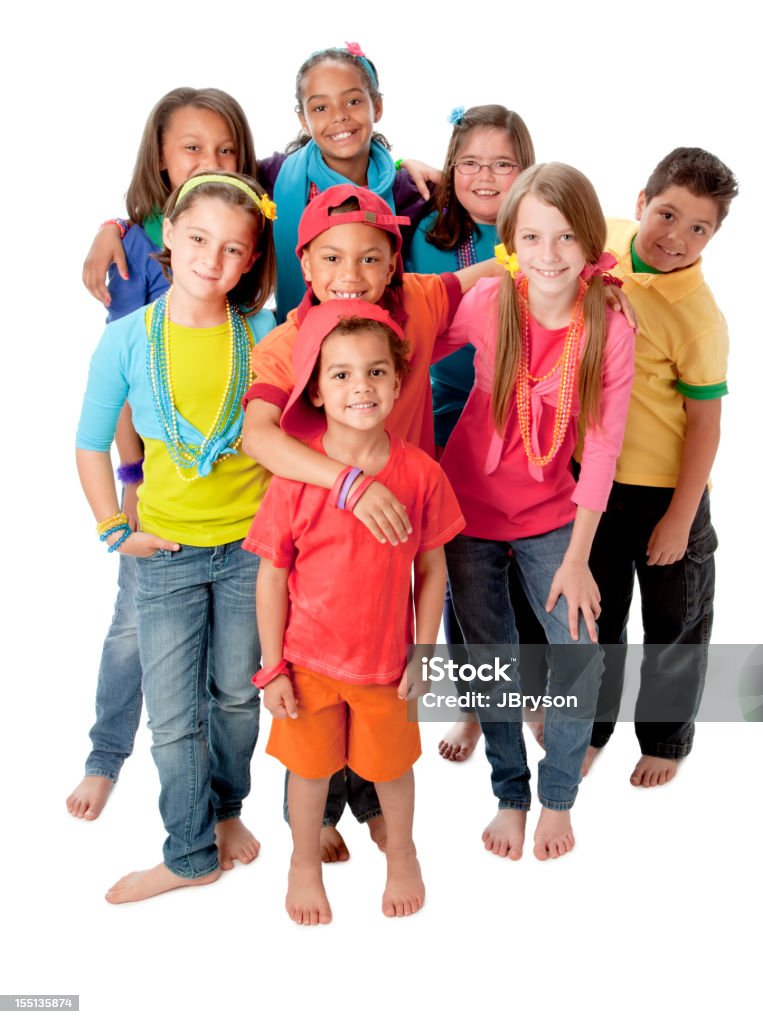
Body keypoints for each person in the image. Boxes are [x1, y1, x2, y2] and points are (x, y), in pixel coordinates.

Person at [242, 182, 488, 861]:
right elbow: (257, 437)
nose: (349, 276)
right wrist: (346, 484)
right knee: (312, 709)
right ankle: (311, 821)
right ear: (306, 264)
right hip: (316, 527)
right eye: (329, 260)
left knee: (381, 696)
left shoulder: (419, 304)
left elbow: (492, 271)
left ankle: (380, 811)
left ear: (393, 264)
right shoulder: (288, 341)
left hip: (399, 528)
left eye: (370, 260)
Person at [75, 172, 276, 903]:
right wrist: (112, 528)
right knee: (170, 717)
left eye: (231, 249)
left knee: (234, 698)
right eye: (197, 240)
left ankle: (226, 812)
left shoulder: (263, 334)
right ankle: (188, 852)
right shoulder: (130, 338)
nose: (211, 259)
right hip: (164, 556)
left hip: (250, 554)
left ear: (250, 259)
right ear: (167, 235)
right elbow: (91, 442)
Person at [437, 163, 635, 861]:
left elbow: (605, 447)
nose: (548, 255)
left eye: (563, 237)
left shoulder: (607, 327)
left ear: (588, 241)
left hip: (553, 511)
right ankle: (510, 794)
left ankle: (558, 799)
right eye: (531, 237)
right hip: (465, 510)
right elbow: (414, 348)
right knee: (490, 659)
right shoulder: (491, 300)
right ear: (510, 241)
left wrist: (579, 556)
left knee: (579, 650)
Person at [244, 300, 464, 923]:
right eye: (340, 374)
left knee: (392, 771)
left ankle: (403, 855)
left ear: (398, 383)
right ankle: (302, 864)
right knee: (309, 774)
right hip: (307, 664)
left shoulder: (421, 475)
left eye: (374, 372)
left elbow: (434, 570)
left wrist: (424, 652)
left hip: (386, 667)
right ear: (315, 388)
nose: (359, 387)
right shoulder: (296, 478)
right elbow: (271, 577)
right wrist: (272, 667)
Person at [581, 147, 738, 787]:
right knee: (596, 620)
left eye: (699, 228)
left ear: (714, 235)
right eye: (668, 215)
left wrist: (679, 517)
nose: (678, 238)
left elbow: (705, 424)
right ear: (641, 204)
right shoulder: (607, 244)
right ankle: (589, 730)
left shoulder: (698, 321)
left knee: (674, 625)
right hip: (595, 487)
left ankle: (666, 740)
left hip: (668, 494)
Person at [82, 44, 433, 323]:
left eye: (354, 101)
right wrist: (114, 227)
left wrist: (408, 165)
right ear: (303, 118)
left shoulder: (404, 189)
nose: (339, 115)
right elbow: (197, 205)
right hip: (292, 337)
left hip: (377, 353)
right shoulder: (275, 179)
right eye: (321, 107)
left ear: (377, 106)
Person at [406, 103, 547, 763]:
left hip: (527, 419)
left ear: (526, 170)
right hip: (445, 416)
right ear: (450, 168)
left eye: (502, 164)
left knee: (527, 565)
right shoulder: (425, 232)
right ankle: (474, 701)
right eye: (469, 163)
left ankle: (538, 692)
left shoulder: (543, 231)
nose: (485, 177)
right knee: (464, 570)